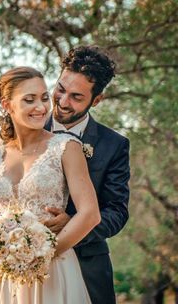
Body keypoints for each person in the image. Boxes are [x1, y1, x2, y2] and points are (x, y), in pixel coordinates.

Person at [0, 66, 101, 303]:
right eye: (29, 100)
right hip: (4, 276)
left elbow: (90, 214)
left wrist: (40, 256)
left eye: (44, 98)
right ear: (7, 105)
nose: (41, 107)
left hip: (53, 269)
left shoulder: (66, 147)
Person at [43, 46, 130, 304]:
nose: (62, 101)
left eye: (76, 97)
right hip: (24, 264)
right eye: (60, 88)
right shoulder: (22, 130)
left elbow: (117, 211)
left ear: (96, 100)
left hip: (87, 266)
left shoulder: (113, 145)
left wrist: (75, 224)